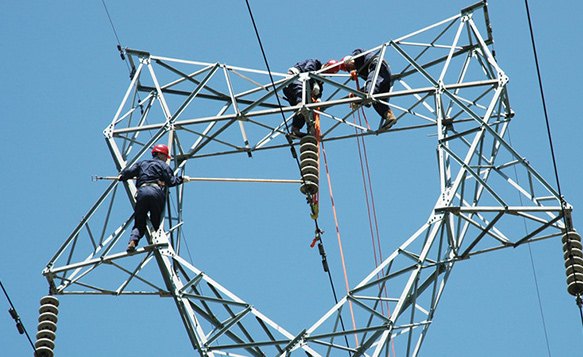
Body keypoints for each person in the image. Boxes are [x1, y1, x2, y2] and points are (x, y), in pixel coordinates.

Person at [118, 144, 190, 252]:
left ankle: (133, 241)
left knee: (139, 220)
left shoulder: (142, 163)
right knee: (156, 220)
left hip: (142, 192)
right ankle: (155, 239)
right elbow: (171, 181)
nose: (166, 159)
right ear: (160, 154)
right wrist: (181, 179)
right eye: (166, 156)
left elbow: (128, 173)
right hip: (155, 192)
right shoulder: (163, 165)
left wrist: (122, 177)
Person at [339, 48, 397, 130]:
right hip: (383, 77)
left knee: (371, 84)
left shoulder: (358, 55)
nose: (351, 69)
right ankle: (388, 116)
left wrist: (351, 57)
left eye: (349, 68)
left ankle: (367, 95)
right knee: (377, 101)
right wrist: (356, 98)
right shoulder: (360, 71)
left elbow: (371, 80)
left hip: (377, 66)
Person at [283, 58, 339, 137]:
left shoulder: (320, 80)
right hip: (293, 81)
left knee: (303, 111)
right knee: (302, 97)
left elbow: (319, 92)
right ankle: (300, 105)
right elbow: (308, 71)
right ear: (325, 65)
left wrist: (318, 99)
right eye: (326, 71)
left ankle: (295, 129)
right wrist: (314, 82)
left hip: (293, 92)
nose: (325, 74)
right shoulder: (315, 63)